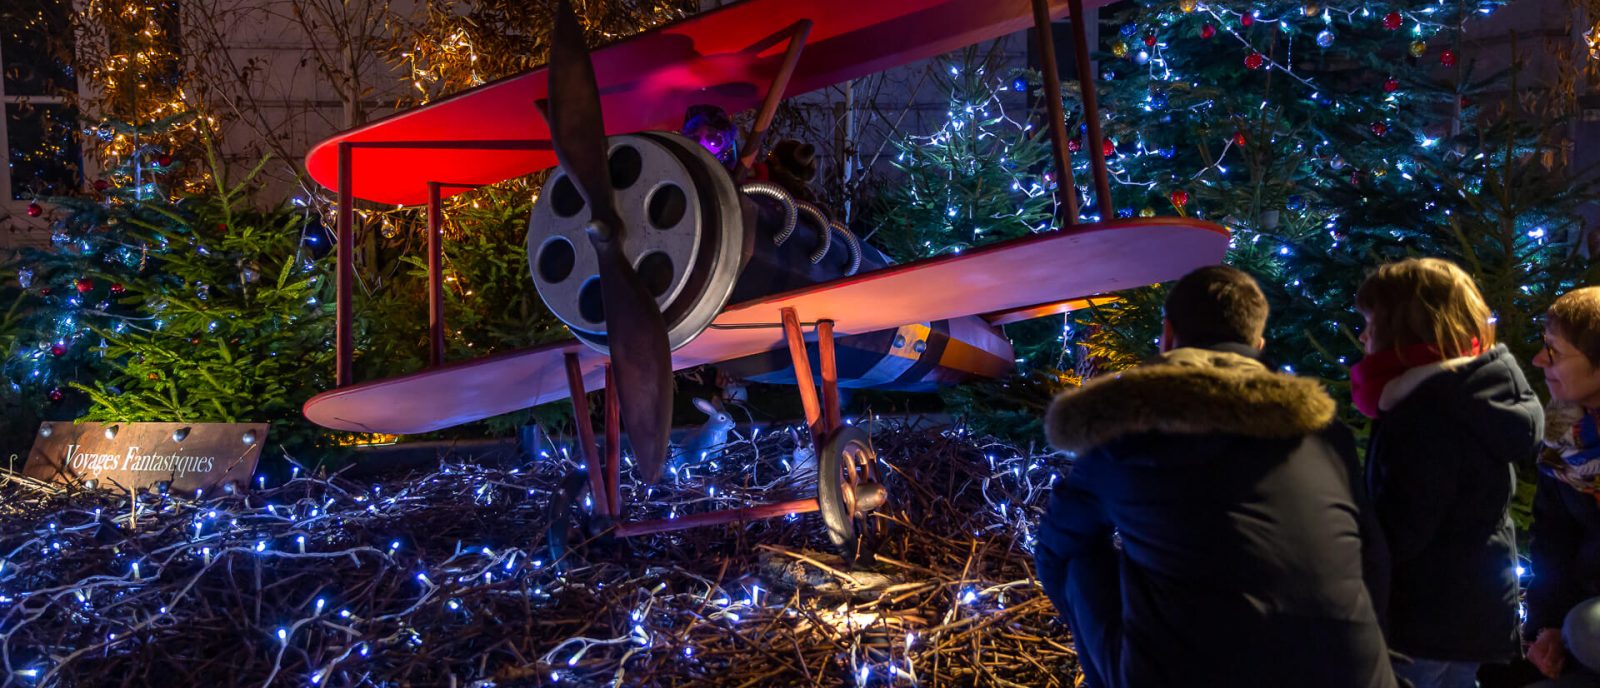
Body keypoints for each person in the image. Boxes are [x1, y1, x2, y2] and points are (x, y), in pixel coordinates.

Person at [1035, 264, 1396, 687]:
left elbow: (1056, 551)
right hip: (1350, 673)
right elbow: (1373, 556)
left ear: (1168, 335)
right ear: (1258, 345)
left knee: (1078, 558)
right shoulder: (1323, 430)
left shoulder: (1127, 431)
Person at [1352, 257, 1541, 688]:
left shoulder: (1426, 410)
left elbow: (1405, 524)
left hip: (1421, 617)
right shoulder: (1478, 393)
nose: (1363, 335)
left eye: (1370, 322)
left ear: (1403, 330)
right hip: (1472, 612)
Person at [1525, 286, 1600, 685]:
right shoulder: (1565, 436)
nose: (1539, 360)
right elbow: (1553, 540)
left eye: (1554, 350)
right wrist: (1549, 627)